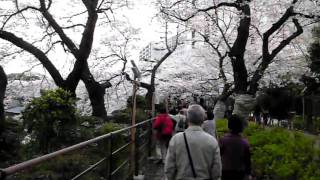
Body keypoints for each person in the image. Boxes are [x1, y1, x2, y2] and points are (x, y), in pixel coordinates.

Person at [165, 104, 222, 180]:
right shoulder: (212, 141)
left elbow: (169, 168)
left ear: (187, 119)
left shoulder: (176, 139)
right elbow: (217, 171)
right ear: (203, 119)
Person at [219, 115, 252, 180]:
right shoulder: (244, 143)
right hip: (240, 173)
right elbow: (247, 161)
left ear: (228, 126)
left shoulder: (223, 140)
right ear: (241, 127)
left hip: (225, 171)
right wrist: (248, 174)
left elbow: (218, 156)